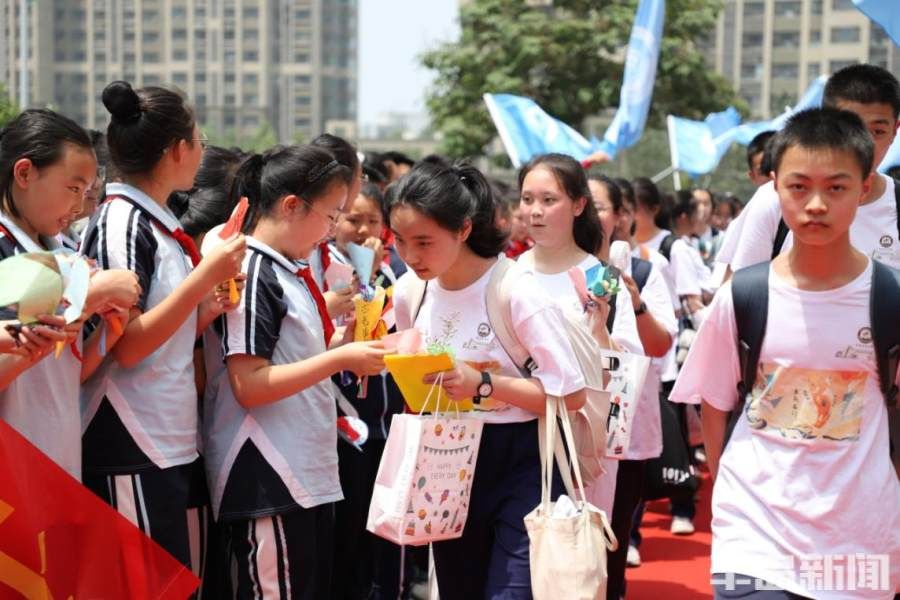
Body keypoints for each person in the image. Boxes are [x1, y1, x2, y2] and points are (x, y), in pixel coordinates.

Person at [672, 107, 900, 599]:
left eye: (836, 187)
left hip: (861, 541)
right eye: (799, 186)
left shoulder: (892, 298)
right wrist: (731, 488)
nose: (816, 204)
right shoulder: (744, 296)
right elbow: (713, 403)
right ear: (773, 187)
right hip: (754, 537)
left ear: (864, 188)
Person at [389, 160, 587, 599]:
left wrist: (481, 383)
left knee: (512, 592)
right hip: (446, 462)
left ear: (462, 229)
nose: (411, 255)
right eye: (400, 241)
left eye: (424, 241)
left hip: (523, 462)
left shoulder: (516, 289)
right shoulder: (410, 291)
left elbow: (570, 394)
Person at [204, 144, 389, 599]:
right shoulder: (253, 268)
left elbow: (291, 356)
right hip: (266, 474)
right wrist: (339, 358)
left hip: (299, 474)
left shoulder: (286, 268)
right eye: (331, 216)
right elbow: (248, 383)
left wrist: (345, 346)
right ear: (291, 206)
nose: (331, 231)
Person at [79, 81, 246, 572]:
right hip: (129, 435)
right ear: (178, 150)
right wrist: (202, 280)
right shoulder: (123, 221)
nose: (202, 151)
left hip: (162, 436)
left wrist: (204, 309)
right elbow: (126, 346)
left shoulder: (152, 223)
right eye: (200, 141)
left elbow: (155, 337)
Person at [0, 108, 141, 480]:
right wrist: (83, 301)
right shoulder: (5, 250)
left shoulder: (65, 255)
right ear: (25, 173)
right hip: (13, 466)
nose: (79, 206)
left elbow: (68, 370)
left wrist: (109, 331)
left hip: (57, 454)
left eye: (86, 192)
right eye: (72, 188)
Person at [589, 173, 678, 598]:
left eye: (598, 205)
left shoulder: (646, 269)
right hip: (563, 423)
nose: (587, 213)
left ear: (622, 217)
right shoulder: (543, 271)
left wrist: (634, 300)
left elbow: (660, 344)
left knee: (612, 535)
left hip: (624, 426)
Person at [725, 64, 900, 273]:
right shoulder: (775, 198)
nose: (864, 142)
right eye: (850, 127)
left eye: (878, 131)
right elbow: (738, 293)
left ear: (894, 131)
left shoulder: (895, 203)